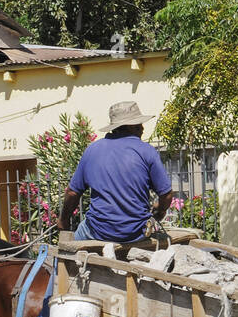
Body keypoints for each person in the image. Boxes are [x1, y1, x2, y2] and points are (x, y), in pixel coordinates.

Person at [58, 101, 173, 243]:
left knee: (70, 245)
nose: (142, 129)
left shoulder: (92, 151)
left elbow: (72, 193)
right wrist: (160, 211)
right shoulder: (147, 151)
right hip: (136, 233)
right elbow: (166, 194)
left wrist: (63, 220)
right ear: (130, 127)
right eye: (138, 125)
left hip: (99, 231)